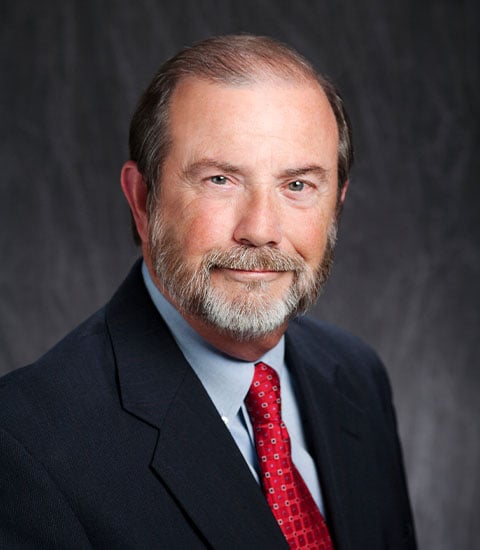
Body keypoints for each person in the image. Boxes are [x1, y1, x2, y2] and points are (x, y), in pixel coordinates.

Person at [0, 35, 416, 549]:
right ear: (142, 200)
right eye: (221, 179)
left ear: (337, 203)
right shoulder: (23, 443)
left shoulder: (356, 375)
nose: (261, 229)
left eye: (298, 185)